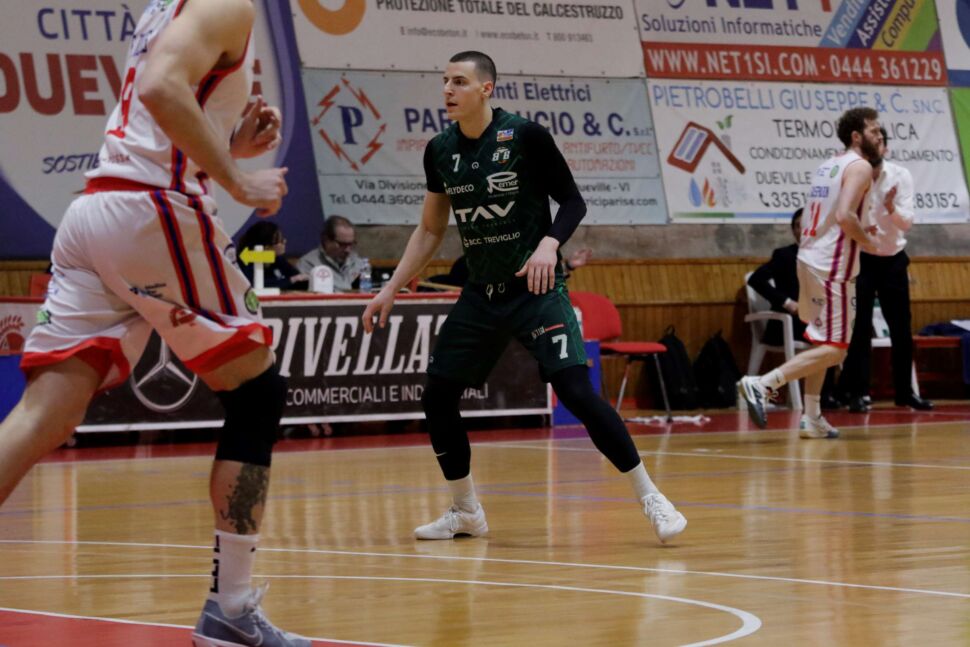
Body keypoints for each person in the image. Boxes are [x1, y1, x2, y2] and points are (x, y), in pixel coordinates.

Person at [0, 1, 306, 645]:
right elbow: (163, 88)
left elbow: (158, 113)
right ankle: (231, 611)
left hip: (96, 212)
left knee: (43, 415)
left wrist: (224, 144)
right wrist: (237, 179)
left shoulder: (164, 7)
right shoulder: (226, 2)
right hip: (150, 212)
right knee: (257, 393)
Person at [362, 51, 686, 544]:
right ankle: (466, 510)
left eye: (459, 81)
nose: (447, 90)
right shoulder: (440, 150)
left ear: (486, 88)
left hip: (536, 291)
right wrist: (389, 288)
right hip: (481, 294)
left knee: (576, 391)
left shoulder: (525, 136)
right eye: (444, 81)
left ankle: (652, 497)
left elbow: (573, 201)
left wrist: (549, 244)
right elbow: (430, 229)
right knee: (438, 396)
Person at [738, 107, 881, 439]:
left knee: (820, 341)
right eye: (874, 131)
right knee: (837, 348)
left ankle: (812, 416)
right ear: (856, 136)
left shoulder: (828, 165)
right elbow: (845, 216)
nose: (879, 136)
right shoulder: (860, 166)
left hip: (809, 257)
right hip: (833, 266)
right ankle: (763, 384)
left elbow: (832, 214)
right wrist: (867, 240)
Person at [837, 128, 933, 412]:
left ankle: (905, 392)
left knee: (901, 328)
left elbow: (907, 223)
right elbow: (843, 215)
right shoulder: (854, 175)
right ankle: (858, 393)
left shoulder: (901, 176)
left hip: (893, 259)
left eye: (879, 145)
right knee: (860, 328)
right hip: (863, 258)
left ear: (886, 150)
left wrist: (891, 208)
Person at [747, 208, 838, 408]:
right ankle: (819, 395)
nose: (803, 229)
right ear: (793, 230)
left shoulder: (825, 255)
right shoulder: (784, 255)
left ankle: (837, 393)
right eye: (798, 226)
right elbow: (756, 280)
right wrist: (788, 303)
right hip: (788, 323)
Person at [296, 214, 367, 292]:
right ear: (326, 240)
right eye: (342, 244)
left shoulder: (357, 262)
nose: (348, 250)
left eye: (351, 244)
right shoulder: (308, 264)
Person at [238, 221, 308, 291]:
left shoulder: (277, 259)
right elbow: (256, 285)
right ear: (267, 247)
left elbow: (297, 278)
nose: (285, 241)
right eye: (281, 240)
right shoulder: (247, 261)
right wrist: (290, 280)